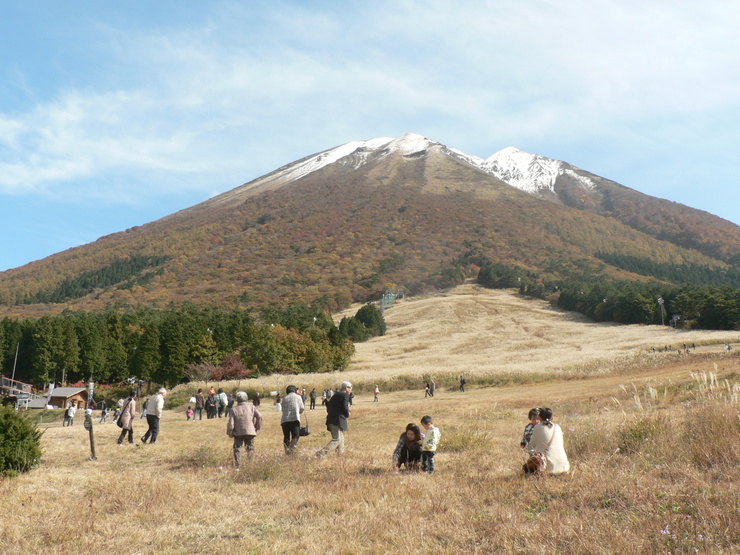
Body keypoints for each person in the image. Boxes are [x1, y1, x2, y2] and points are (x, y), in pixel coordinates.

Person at [526, 407, 570, 475]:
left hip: (547, 469)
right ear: (552, 418)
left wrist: (532, 455)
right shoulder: (557, 427)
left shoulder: (537, 427)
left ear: (539, 418)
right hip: (564, 468)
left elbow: (531, 446)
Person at [227, 391, 262, 468]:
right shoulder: (252, 407)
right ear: (246, 398)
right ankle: (250, 465)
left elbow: (231, 423)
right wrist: (257, 427)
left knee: (237, 448)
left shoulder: (234, 409)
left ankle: (238, 465)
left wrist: (230, 432)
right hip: (250, 431)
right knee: (250, 448)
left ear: (237, 400)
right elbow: (259, 416)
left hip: (238, 432)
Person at [317, 381, 352, 458]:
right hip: (337, 420)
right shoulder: (345, 395)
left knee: (341, 440)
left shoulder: (335, 395)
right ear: (346, 388)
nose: (351, 390)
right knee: (337, 439)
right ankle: (321, 453)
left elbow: (328, 407)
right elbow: (344, 406)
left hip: (331, 419)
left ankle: (340, 457)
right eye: (350, 388)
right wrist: (347, 413)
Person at [280, 385, 305, 454]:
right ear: (295, 390)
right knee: (296, 436)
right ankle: (291, 450)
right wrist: (299, 412)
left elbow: (282, 409)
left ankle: (286, 451)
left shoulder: (284, 398)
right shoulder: (298, 397)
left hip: (284, 420)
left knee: (286, 437)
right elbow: (302, 408)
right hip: (295, 419)